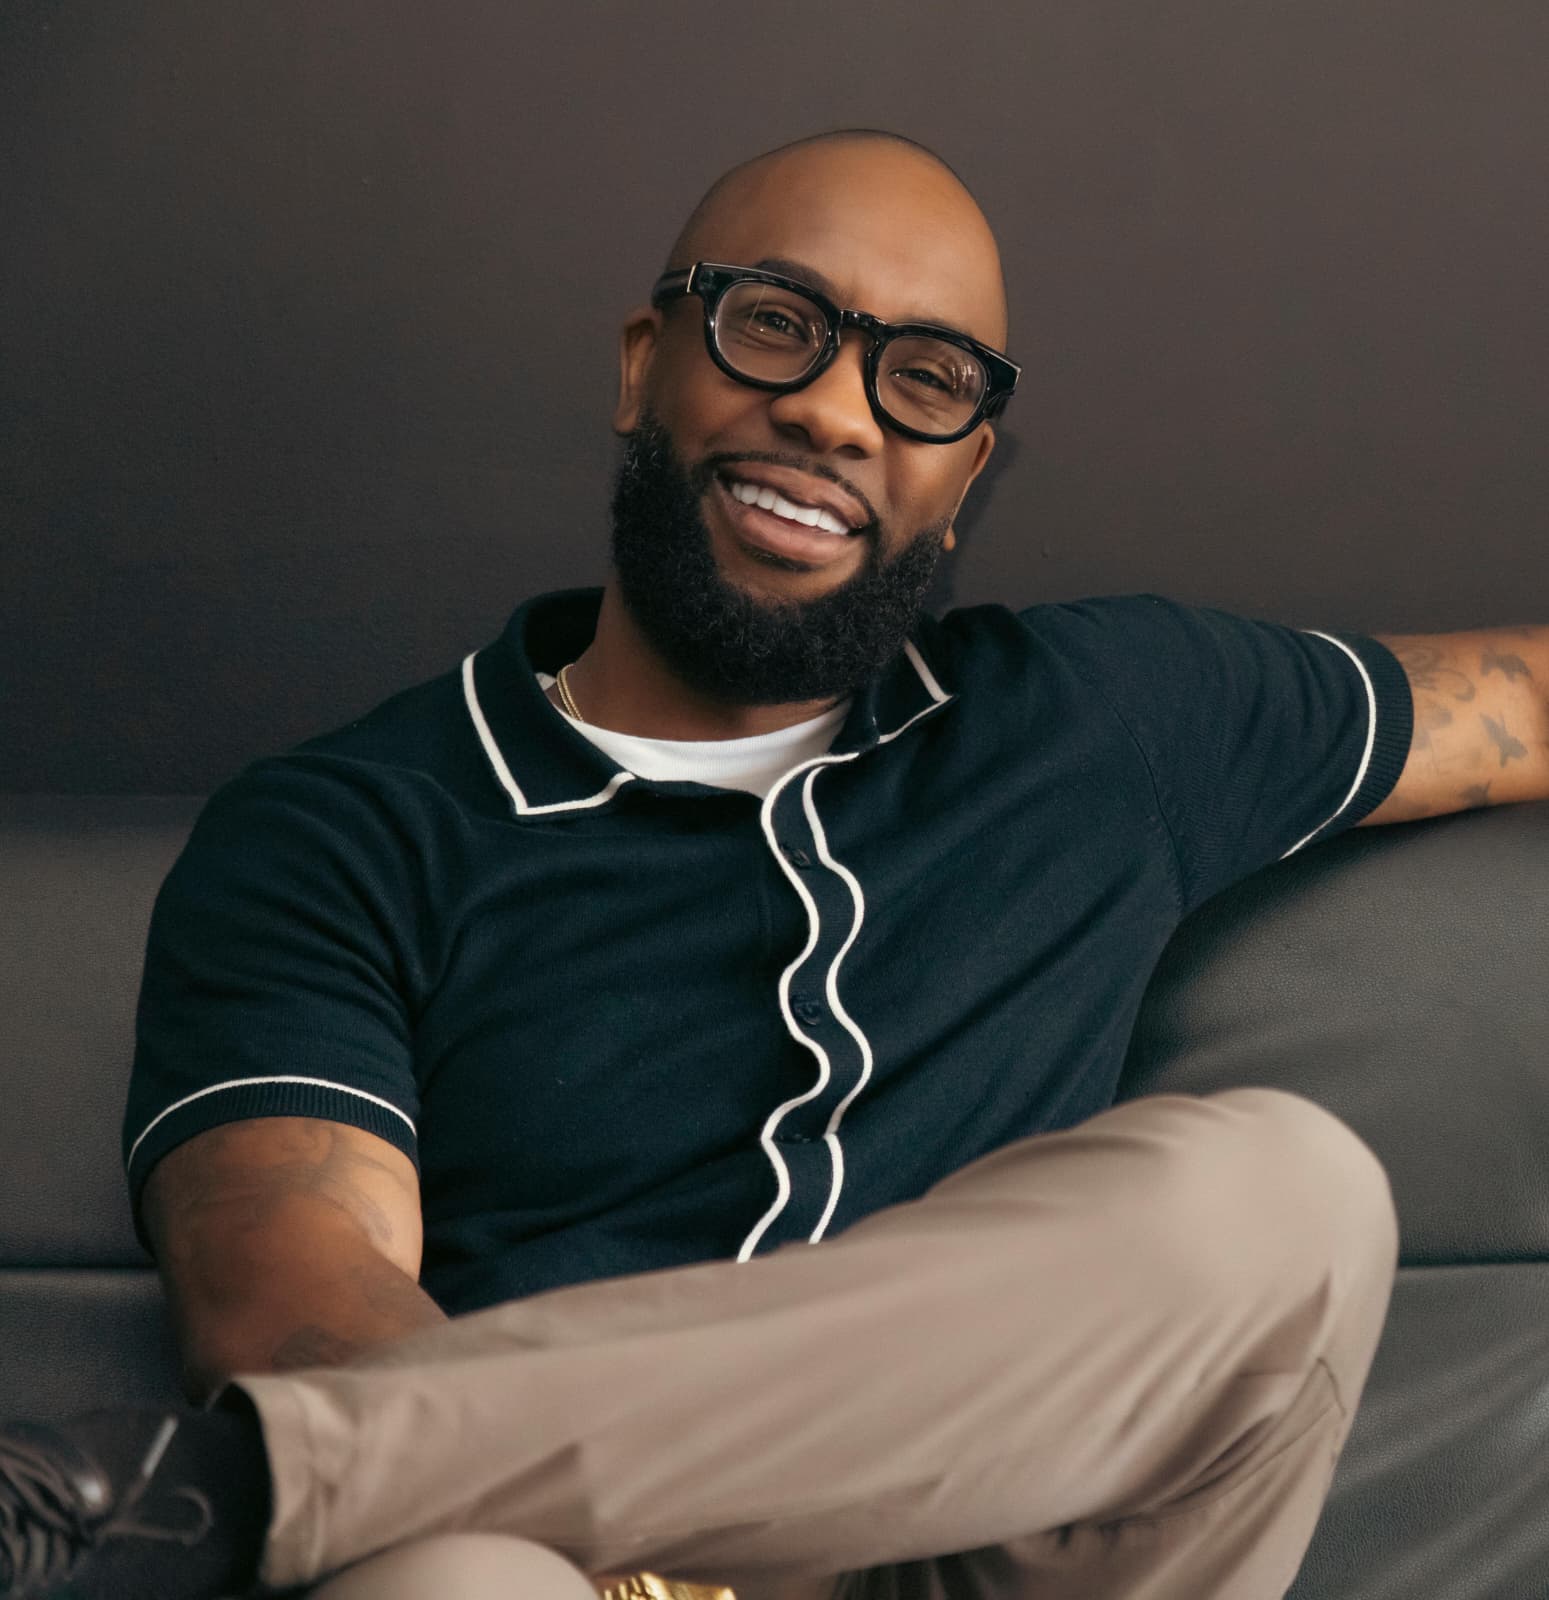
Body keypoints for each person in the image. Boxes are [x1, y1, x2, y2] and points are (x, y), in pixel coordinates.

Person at [2, 128, 1546, 1600]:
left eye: (922, 379)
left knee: (1287, 1191)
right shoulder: (345, 830)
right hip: (548, 1561)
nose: (835, 412)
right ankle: (301, 1487)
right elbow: (293, 1311)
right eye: (775, 324)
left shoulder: (1111, 721)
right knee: (444, 1581)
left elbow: (1528, 702)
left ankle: (285, 1483)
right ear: (642, 365)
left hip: (1003, 1556)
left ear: (965, 476)